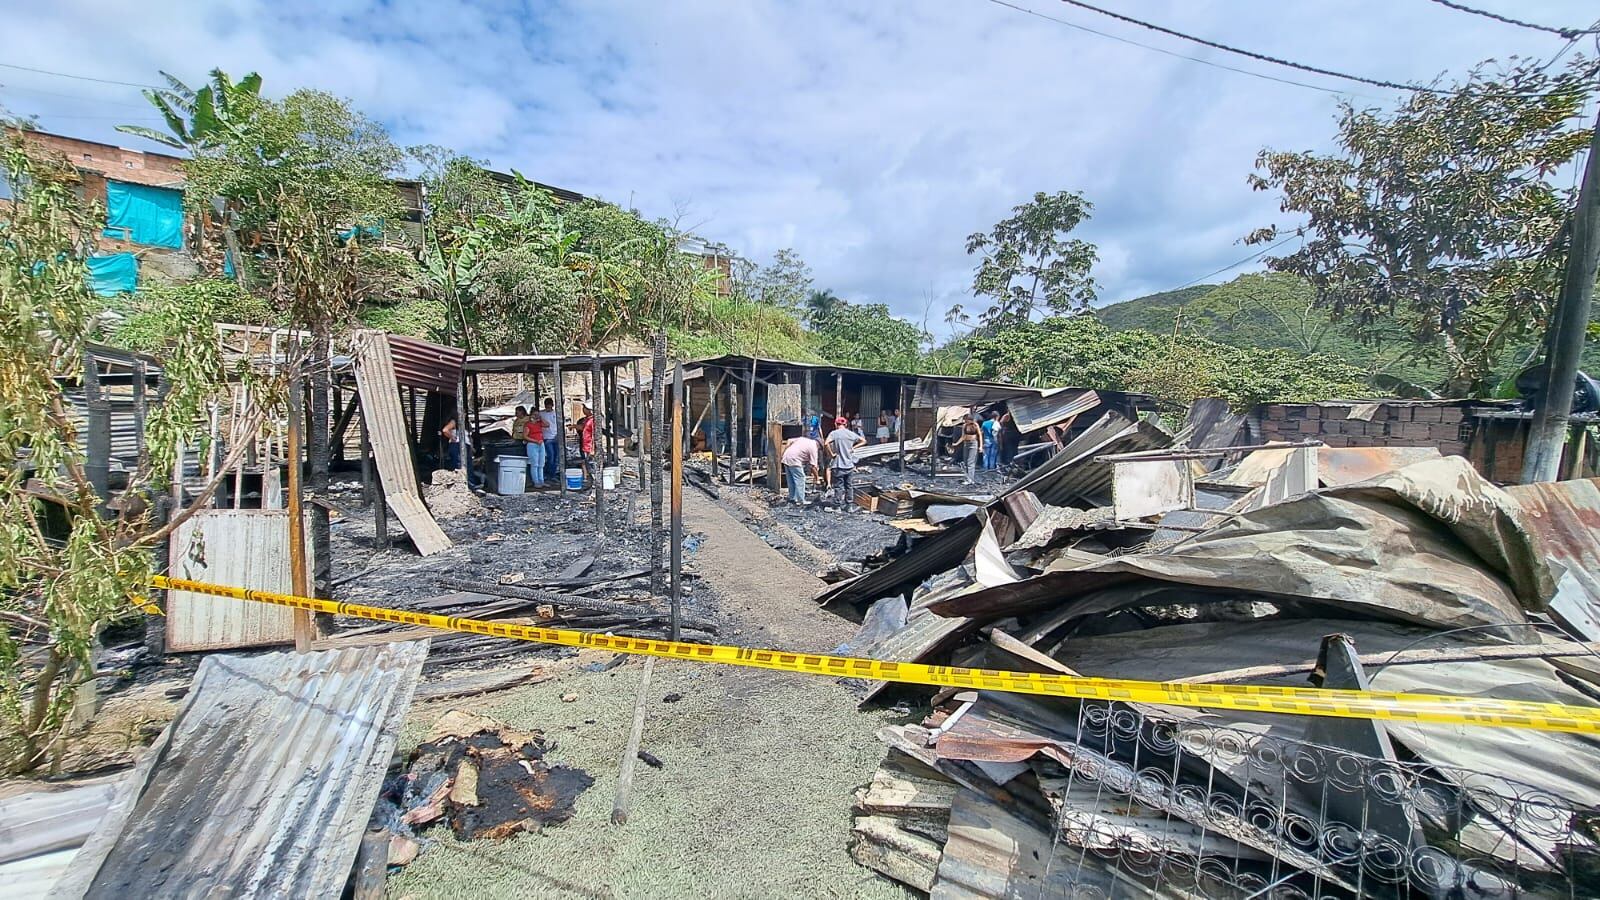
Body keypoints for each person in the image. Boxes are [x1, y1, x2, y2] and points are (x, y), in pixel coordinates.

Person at [824, 415, 866, 508]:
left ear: (836, 424)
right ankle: (849, 506)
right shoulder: (850, 434)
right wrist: (853, 447)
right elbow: (863, 441)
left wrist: (831, 454)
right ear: (845, 424)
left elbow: (826, 443)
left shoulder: (834, 433)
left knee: (839, 486)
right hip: (849, 465)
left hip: (838, 465)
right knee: (849, 486)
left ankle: (837, 506)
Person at [780, 431, 821, 505]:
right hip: (795, 460)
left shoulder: (803, 439)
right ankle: (801, 500)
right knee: (800, 478)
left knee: (791, 480)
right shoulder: (814, 448)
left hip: (786, 457)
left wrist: (783, 453)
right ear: (819, 446)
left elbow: (789, 440)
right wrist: (817, 478)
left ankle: (792, 497)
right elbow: (813, 466)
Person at [953, 412, 983, 485]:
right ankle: (967, 477)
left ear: (969, 419)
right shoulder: (964, 426)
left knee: (970, 462)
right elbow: (963, 436)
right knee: (965, 461)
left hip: (973, 443)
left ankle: (970, 479)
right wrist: (956, 443)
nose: (965, 421)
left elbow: (980, 435)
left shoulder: (975, 425)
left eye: (966, 420)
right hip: (966, 444)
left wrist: (981, 446)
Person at [522, 407, 546, 488]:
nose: (536, 416)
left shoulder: (539, 423)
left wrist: (541, 418)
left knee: (541, 463)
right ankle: (536, 481)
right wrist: (535, 441)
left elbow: (547, 425)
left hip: (541, 443)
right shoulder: (528, 424)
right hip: (532, 445)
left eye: (537, 414)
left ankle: (541, 480)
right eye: (535, 414)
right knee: (534, 464)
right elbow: (525, 436)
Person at [539, 398, 561, 482]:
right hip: (547, 438)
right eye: (547, 405)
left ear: (552, 405)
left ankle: (553, 474)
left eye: (549, 405)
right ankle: (548, 474)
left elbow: (560, 424)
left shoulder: (556, 413)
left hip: (555, 436)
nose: (548, 407)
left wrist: (558, 434)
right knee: (550, 457)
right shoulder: (541, 414)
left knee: (556, 457)